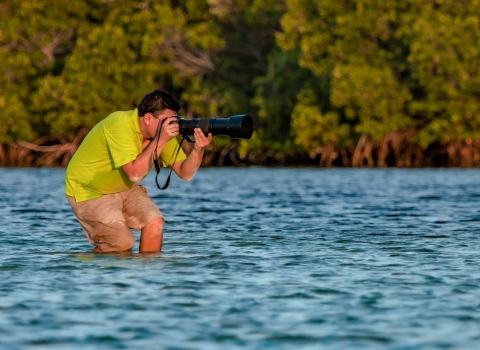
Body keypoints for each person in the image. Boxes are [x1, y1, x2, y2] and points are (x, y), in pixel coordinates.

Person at [65, 90, 212, 253]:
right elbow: (134, 173)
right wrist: (160, 139)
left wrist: (198, 149)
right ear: (148, 118)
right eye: (167, 121)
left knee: (154, 222)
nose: (172, 126)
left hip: (123, 187)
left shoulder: (162, 134)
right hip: (89, 191)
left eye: (174, 120)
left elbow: (185, 173)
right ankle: (83, 270)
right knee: (121, 244)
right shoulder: (120, 124)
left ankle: (148, 276)